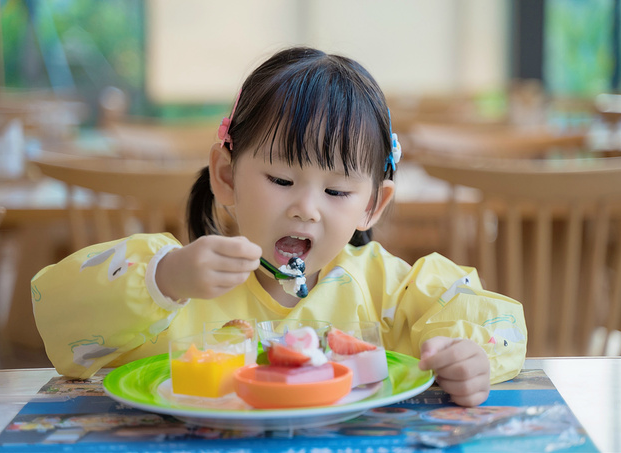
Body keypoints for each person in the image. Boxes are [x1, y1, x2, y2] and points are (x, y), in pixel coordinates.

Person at [32, 47, 526, 407]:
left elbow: (489, 319)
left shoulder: (385, 289)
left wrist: (466, 355)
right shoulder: (178, 284)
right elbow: (57, 316)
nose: (306, 209)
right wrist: (162, 280)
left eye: (336, 192)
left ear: (373, 206)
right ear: (226, 176)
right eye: (282, 178)